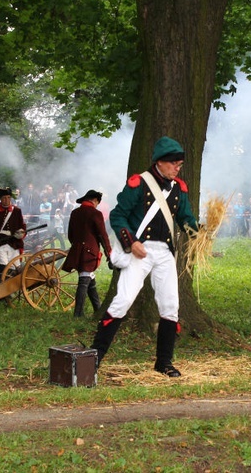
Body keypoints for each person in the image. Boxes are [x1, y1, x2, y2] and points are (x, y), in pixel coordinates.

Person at [90, 136, 199, 377]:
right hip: (140, 251)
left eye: (179, 165)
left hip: (165, 253)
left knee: (171, 305)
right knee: (123, 300)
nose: (177, 169)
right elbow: (117, 216)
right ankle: (94, 359)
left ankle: (164, 362)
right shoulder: (139, 183)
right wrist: (132, 242)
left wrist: (199, 234)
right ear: (160, 162)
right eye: (174, 164)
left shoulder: (179, 188)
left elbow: (186, 218)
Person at [60, 190, 112, 317]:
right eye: (97, 203)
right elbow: (103, 235)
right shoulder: (96, 213)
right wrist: (109, 252)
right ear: (94, 200)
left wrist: (78, 245)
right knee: (84, 281)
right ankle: (78, 314)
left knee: (90, 280)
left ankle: (97, 309)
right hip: (90, 252)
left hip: (77, 250)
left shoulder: (74, 213)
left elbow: (70, 235)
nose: (97, 205)